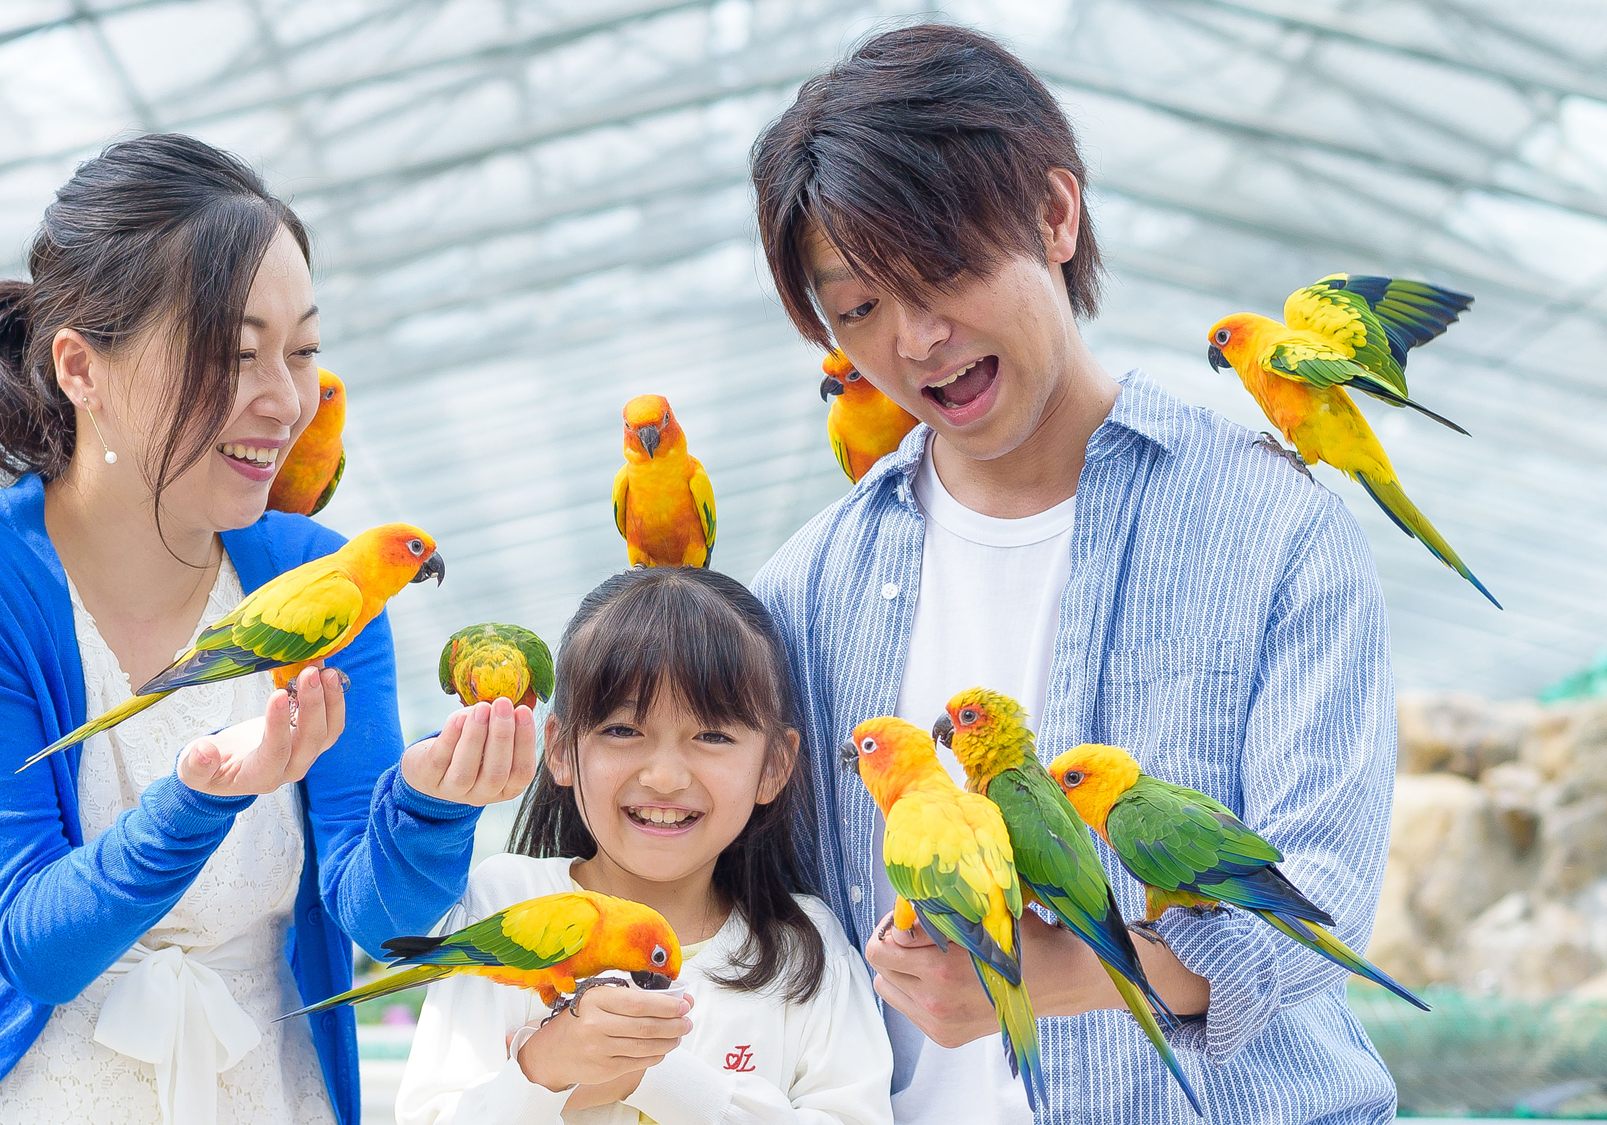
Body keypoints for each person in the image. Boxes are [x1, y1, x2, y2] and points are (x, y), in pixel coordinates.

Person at [748, 24, 1400, 1124]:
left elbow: (1315, 904)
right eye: (856, 308)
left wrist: (1051, 974)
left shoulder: (1272, 529)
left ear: (1055, 216)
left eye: (941, 270)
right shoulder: (803, 593)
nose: (914, 340)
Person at [0, 134, 536, 1125]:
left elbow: (374, 912)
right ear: (81, 368)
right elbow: (35, 940)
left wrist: (430, 804)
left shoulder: (320, 578)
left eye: (303, 351)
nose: (284, 400)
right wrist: (198, 796)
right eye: (230, 356)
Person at [398, 567, 893, 1125]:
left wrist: (651, 1075)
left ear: (774, 765)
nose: (664, 777)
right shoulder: (507, 898)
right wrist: (543, 1068)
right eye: (622, 731)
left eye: (712, 736)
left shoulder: (807, 948)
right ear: (559, 749)